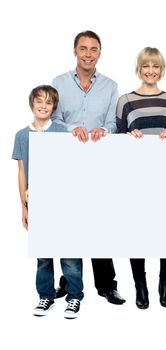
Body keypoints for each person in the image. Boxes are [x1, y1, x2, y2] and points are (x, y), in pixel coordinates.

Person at [51, 30, 125, 305]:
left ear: (99, 53)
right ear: (74, 51)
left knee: (100, 223)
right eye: (83, 48)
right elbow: (53, 119)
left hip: (99, 163)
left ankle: (107, 285)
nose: (88, 54)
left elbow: (114, 123)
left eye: (93, 49)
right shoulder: (58, 82)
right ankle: (68, 282)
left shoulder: (110, 85)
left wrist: (103, 130)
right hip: (66, 163)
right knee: (69, 223)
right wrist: (73, 129)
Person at [116, 47, 166, 309]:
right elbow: (116, 140)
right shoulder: (125, 100)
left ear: (162, 70)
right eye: (146, 65)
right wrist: (128, 137)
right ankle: (140, 286)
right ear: (139, 68)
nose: (150, 71)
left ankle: (164, 285)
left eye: (155, 66)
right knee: (137, 232)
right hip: (135, 177)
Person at [12, 85, 84, 319]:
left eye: (48, 102)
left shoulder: (63, 132)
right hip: (37, 203)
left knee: (69, 254)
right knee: (43, 255)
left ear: (54, 107)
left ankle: (74, 297)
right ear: (32, 103)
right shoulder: (22, 135)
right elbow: (22, 171)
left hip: (63, 203)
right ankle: (46, 295)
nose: (43, 106)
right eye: (39, 101)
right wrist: (23, 206)